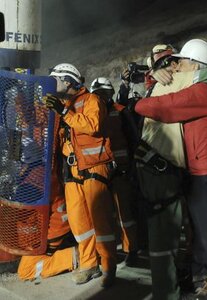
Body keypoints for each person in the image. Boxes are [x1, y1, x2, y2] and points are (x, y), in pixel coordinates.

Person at [135, 38, 207, 299]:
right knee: (197, 229)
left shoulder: (202, 92)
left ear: (196, 65)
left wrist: (140, 105)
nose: (177, 67)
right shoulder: (197, 86)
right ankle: (200, 274)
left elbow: (166, 106)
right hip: (195, 166)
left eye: (182, 63)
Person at [44, 63, 116, 287]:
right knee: (79, 222)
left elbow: (92, 125)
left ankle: (108, 266)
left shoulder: (91, 100)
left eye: (56, 79)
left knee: (101, 220)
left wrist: (64, 112)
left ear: (68, 81)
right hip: (72, 169)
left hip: (95, 167)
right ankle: (89, 264)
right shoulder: (64, 105)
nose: (53, 83)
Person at [90, 77, 139, 266]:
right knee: (103, 215)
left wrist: (132, 166)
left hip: (121, 170)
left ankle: (131, 249)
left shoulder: (120, 111)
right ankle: (108, 254)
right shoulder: (91, 112)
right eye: (99, 94)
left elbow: (133, 139)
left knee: (125, 212)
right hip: (98, 170)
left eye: (106, 93)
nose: (102, 97)